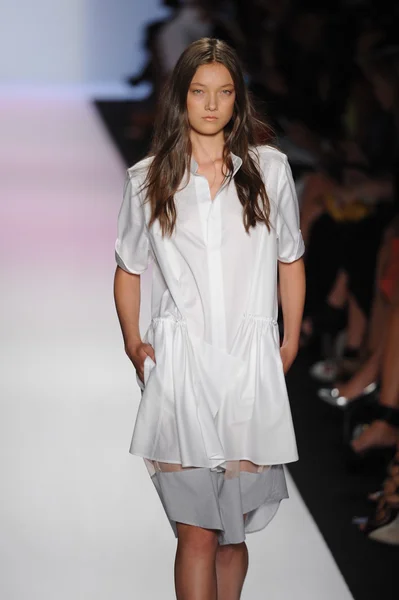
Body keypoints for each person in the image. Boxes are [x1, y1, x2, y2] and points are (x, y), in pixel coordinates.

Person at [113, 38, 305, 600]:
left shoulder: (270, 170)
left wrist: (290, 340)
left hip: (249, 368)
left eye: (224, 92)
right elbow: (129, 266)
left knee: (232, 536)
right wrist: (133, 341)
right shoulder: (148, 181)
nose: (212, 104)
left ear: (238, 100)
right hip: (183, 369)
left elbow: (289, 256)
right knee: (197, 533)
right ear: (182, 98)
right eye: (200, 92)